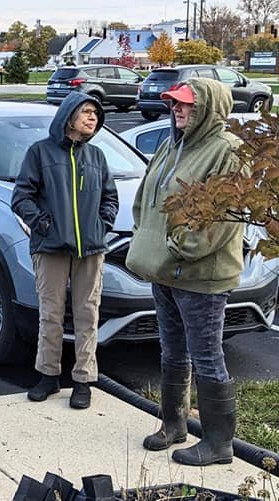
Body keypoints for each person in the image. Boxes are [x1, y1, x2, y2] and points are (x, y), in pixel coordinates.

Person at [126, 79, 244, 466]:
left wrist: (179, 247)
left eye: (186, 105)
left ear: (207, 108)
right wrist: (151, 240)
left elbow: (221, 218)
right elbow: (147, 197)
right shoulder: (170, 145)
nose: (177, 110)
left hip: (202, 274)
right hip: (166, 270)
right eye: (174, 104)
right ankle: (173, 424)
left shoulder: (227, 151)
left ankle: (218, 443)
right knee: (172, 350)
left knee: (206, 355)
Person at [11, 91, 119, 409]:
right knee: (51, 314)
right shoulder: (40, 153)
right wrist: (43, 224)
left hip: (91, 249)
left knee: (87, 314)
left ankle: (84, 380)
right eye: (86, 111)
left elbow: (109, 198)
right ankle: (47, 376)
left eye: (95, 114)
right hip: (50, 248)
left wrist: (102, 225)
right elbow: (21, 197)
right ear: (68, 116)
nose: (92, 118)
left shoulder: (96, 157)